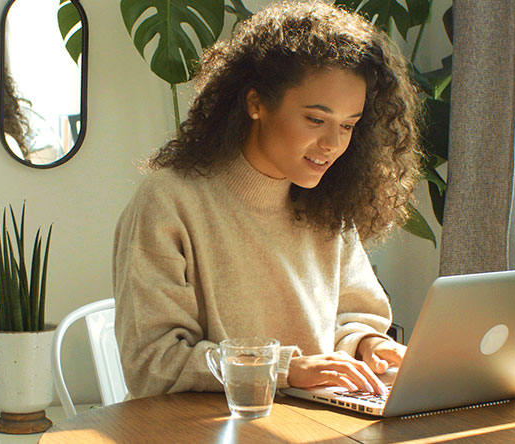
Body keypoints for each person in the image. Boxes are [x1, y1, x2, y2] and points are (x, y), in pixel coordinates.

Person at [113, 1, 424, 400]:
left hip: (309, 426)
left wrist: (369, 345)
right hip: (204, 429)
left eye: (348, 126)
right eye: (315, 119)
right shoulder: (169, 201)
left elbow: (353, 314)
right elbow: (152, 363)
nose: (332, 145)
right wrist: (284, 369)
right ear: (256, 103)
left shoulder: (326, 204)